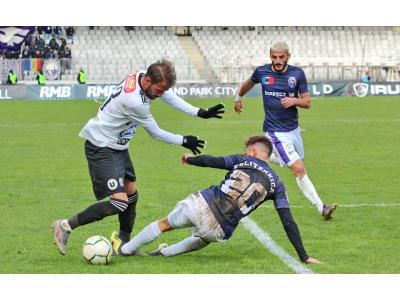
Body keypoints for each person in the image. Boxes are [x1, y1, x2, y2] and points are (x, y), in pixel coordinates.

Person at [51, 59, 225, 255]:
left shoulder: (143, 75)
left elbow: (169, 95)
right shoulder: (134, 101)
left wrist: (199, 112)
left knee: (131, 195)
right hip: (101, 146)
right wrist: (184, 140)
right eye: (158, 91)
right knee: (119, 202)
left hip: (118, 146)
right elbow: (155, 132)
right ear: (148, 82)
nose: (159, 96)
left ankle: (124, 243)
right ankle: (65, 226)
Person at [114, 136, 320, 264]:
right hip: (220, 230)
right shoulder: (278, 184)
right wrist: (303, 256)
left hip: (202, 206)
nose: (244, 151)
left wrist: (190, 159)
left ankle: (126, 250)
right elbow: (288, 222)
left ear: (254, 151)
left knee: (165, 223)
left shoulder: (242, 159)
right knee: (203, 239)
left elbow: (213, 161)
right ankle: (163, 253)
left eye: (247, 149)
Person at [234, 42, 337, 220]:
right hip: (275, 132)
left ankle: (254, 156)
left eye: (281, 57)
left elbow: (307, 102)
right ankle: (322, 208)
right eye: (274, 57)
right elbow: (248, 84)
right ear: (270, 55)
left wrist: (294, 101)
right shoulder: (262, 72)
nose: (278, 60)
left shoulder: (297, 74)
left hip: (293, 131)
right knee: (299, 169)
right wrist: (238, 98)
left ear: (288, 55)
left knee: (293, 162)